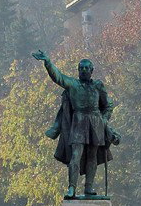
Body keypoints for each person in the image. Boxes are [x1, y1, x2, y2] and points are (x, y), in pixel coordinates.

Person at [33, 50, 120, 198]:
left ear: (92, 70)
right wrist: (47, 62)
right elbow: (58, 77)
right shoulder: (73, 84)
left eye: (87, 68)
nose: (84, 70)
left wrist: (104, 120)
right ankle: (72, 187)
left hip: (95, 122)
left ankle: (88, 187)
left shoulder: (98, 86)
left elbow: (108, 105)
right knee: (75, 155)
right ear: (78, 70)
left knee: (92, 156)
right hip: (79, 121)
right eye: (81, 68)